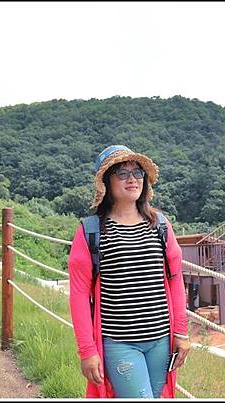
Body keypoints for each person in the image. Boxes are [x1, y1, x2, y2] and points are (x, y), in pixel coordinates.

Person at [68, 145, 190, 398]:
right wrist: (87, 351)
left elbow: (176, 279)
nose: (132, 178)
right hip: (119, 342)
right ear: (106, 183)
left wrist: (181, 332)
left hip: (160, 340)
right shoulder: (91, 231)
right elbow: (79, 294)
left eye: (137, 172)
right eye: (122, 173)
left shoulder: (160, 225)